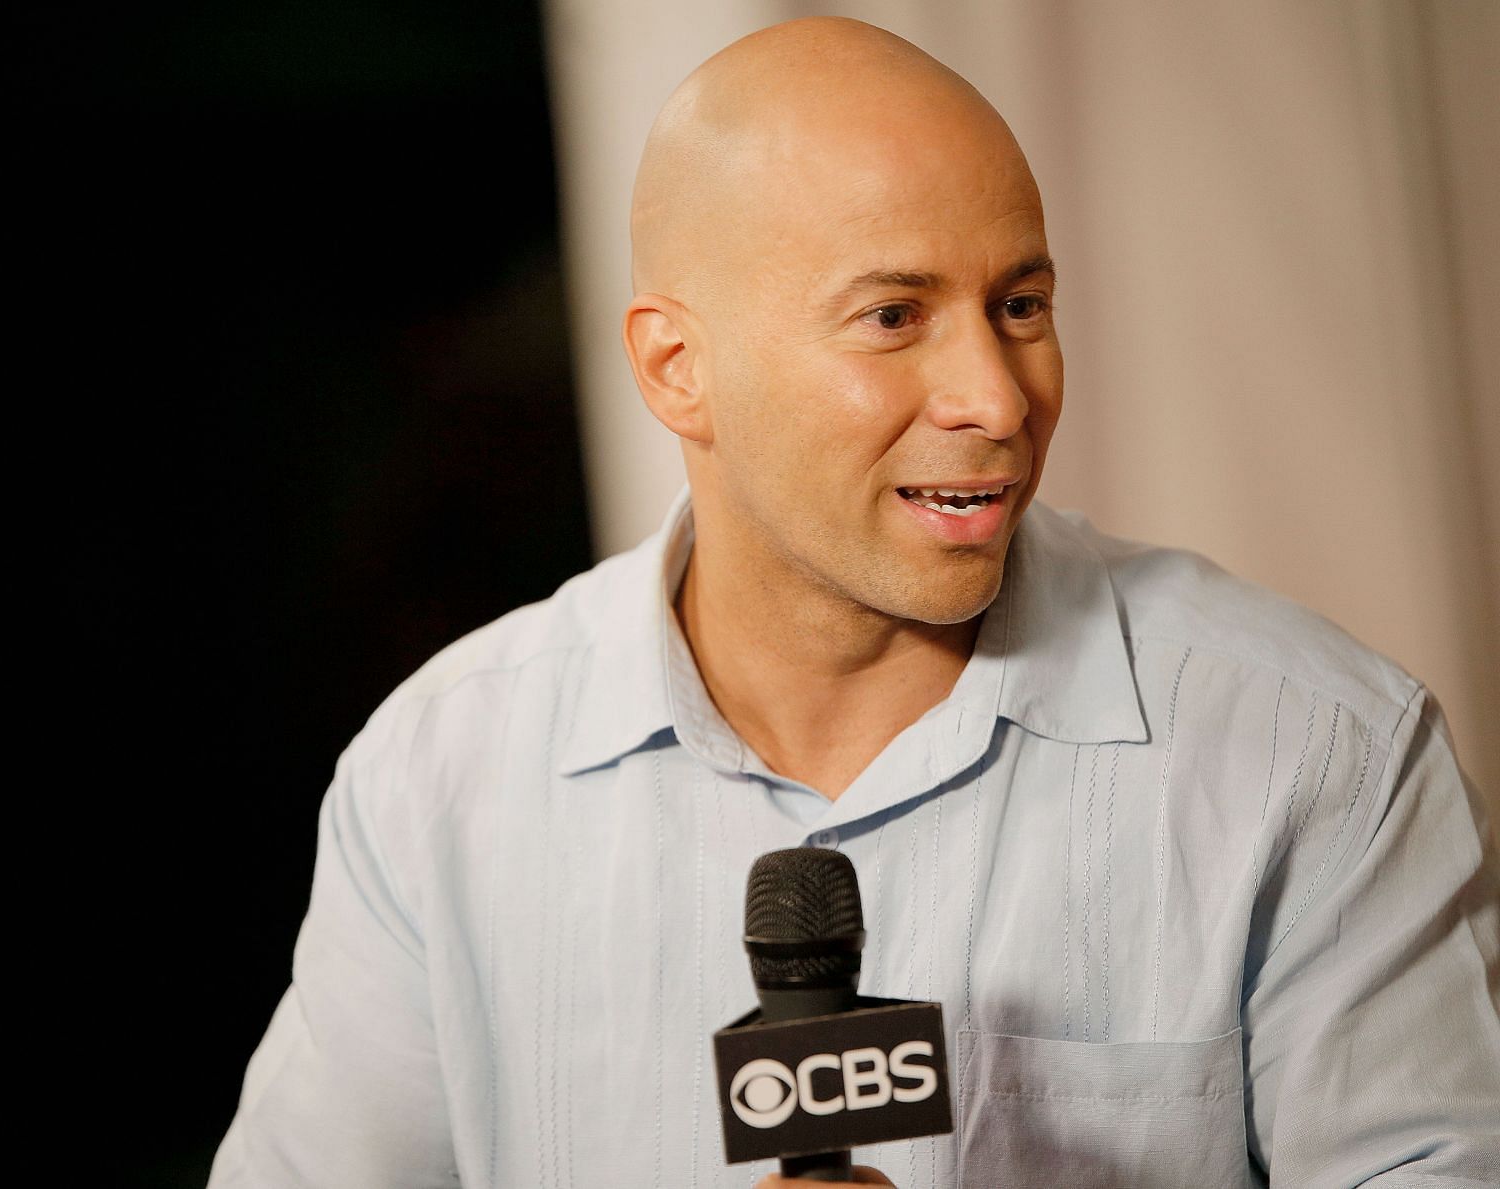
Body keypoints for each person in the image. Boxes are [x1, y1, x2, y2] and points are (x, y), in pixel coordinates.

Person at [213, 17, 1498, 1187]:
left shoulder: (1318, 753)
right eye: (894, 315)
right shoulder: (436, 781)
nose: (996, 399)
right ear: (677, 368)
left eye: (1022, 304)